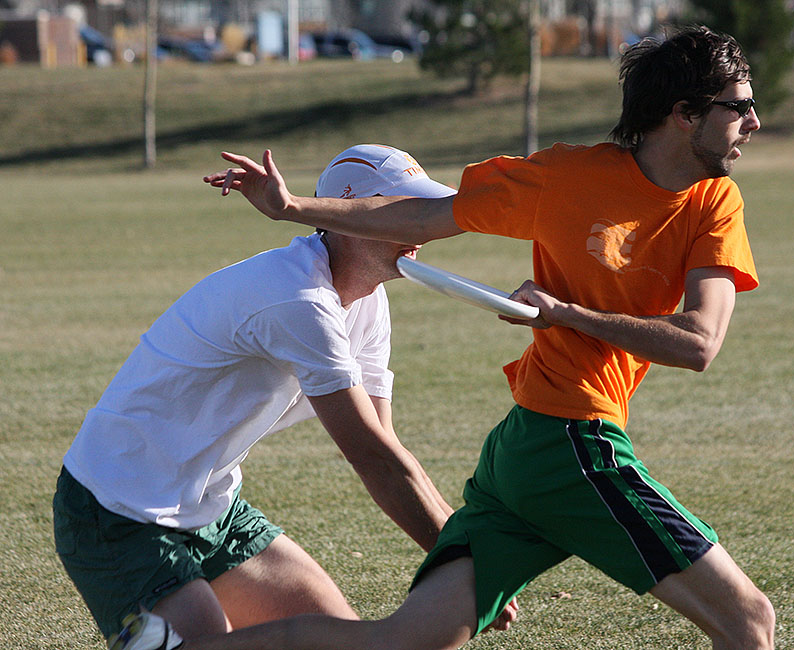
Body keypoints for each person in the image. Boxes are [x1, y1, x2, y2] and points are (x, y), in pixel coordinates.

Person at [124, 25, 775, 650]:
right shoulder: (568, 178)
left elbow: (699, 341)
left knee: (399, 641)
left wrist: (564, 313)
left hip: (527, 451)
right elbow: (423, 215)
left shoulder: (716, 201)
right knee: (748, 623)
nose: (754, 122)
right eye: (739, 107)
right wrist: (293, 208)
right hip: (567, 441)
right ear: (685, 114)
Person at [53, 145, 501, 648]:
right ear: (352, 214)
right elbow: (373, 459)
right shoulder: (300, 301)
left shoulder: (369, 301)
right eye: (405, 212)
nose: (424, 229)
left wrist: (467, 553)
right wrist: (469, 564)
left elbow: (386, 443)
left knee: (348, 642)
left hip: (212, 508)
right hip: (116, 508)